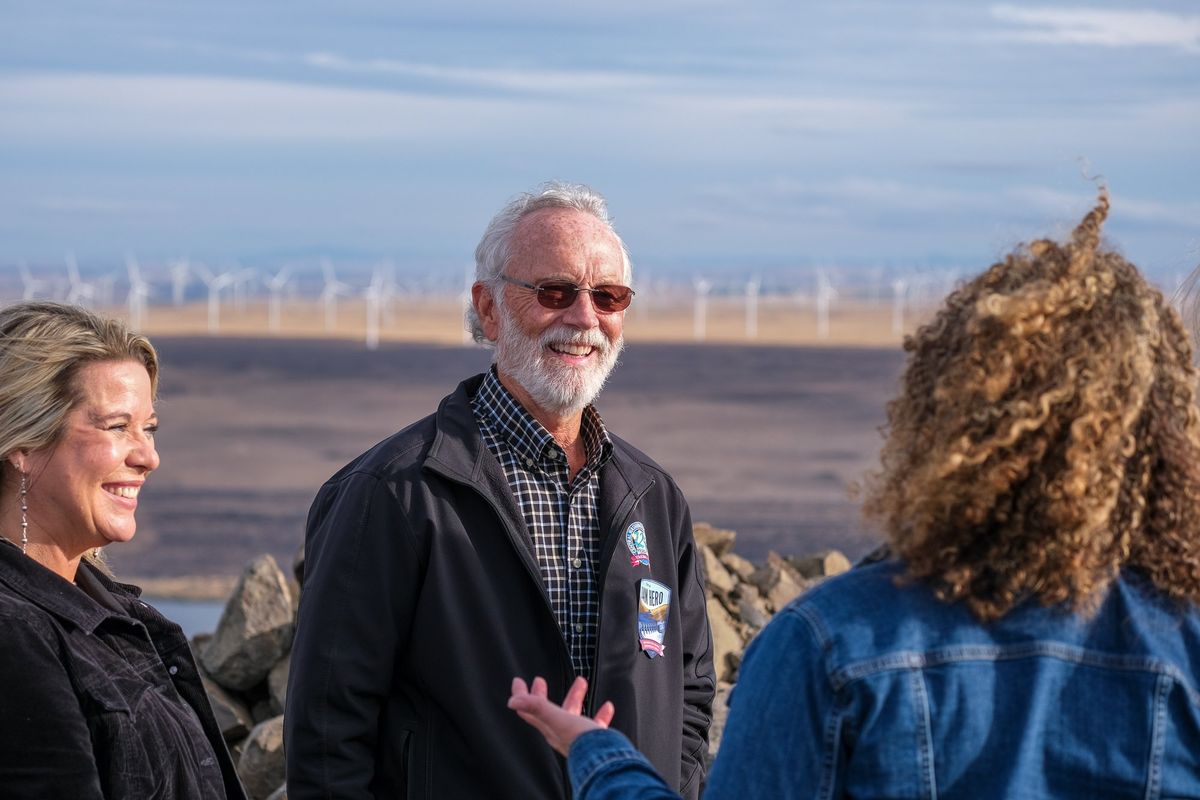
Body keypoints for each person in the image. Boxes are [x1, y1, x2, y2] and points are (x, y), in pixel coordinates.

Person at [509, 192, 1200, 798]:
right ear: (1166, 431)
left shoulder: (827, 643)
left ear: (947, 412)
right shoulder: (1185, 643)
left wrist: (598, 757)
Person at [286, 181, 715, 799]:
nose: (585, 318)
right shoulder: (394, 494)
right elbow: (329, 730)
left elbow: (691, 690)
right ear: (488, 309)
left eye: (609, 296)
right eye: (555, 291)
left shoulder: (653, 497)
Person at [0, 301, 247, 799]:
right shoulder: (14, 633)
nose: (148, 456)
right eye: (117, 427)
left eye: (149, 428)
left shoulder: (107, 613)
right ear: (22, 444)